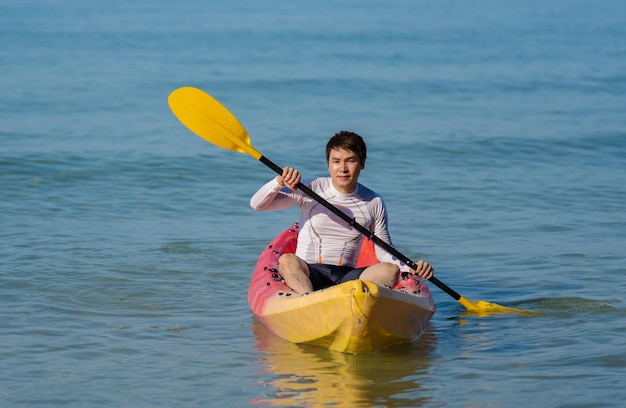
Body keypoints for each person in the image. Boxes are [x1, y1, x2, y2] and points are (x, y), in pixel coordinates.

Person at [250, 130, 433, 294]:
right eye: (336, 161)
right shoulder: (310, 188)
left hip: (347, 277)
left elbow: (384, 250)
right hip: (309, 270)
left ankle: (358, 305)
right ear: (329, 165)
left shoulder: (373, 201)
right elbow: (258, 205)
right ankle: (309, 302)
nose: (343, 168)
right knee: (287, 260)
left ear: (362, 163)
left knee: (388, 270)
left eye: (350, 160)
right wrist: (278, 182)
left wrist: (411, 267)